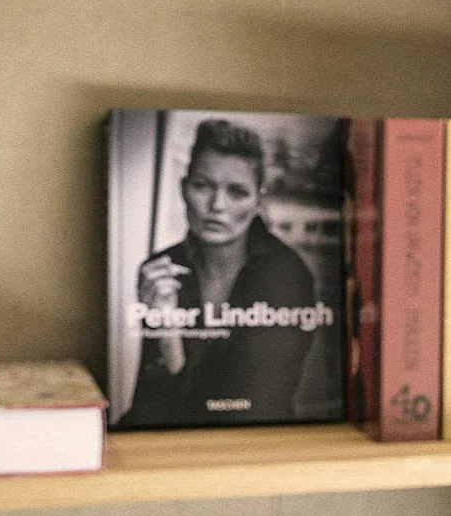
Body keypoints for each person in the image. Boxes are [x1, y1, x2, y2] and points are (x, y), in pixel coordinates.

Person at [124, 118, 319, 426]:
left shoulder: (286, 275)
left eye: (237, 192)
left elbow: (251, 404)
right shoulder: (160, 272)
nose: (217, 205)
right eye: (202, 186)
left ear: (258, 201)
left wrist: (172, 345)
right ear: (183, 188)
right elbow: (149, 403)